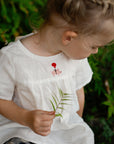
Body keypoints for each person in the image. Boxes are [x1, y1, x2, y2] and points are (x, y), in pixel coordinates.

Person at [0, 0, 114, 143]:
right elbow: (1, 99)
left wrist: (75, 122)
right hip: (23, 129)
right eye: (93, 46)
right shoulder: (13, 58)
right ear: (68, 37)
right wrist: (26, 117)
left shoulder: (74, 57)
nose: (96, 52)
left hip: (63, 132)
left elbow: (78, 92)